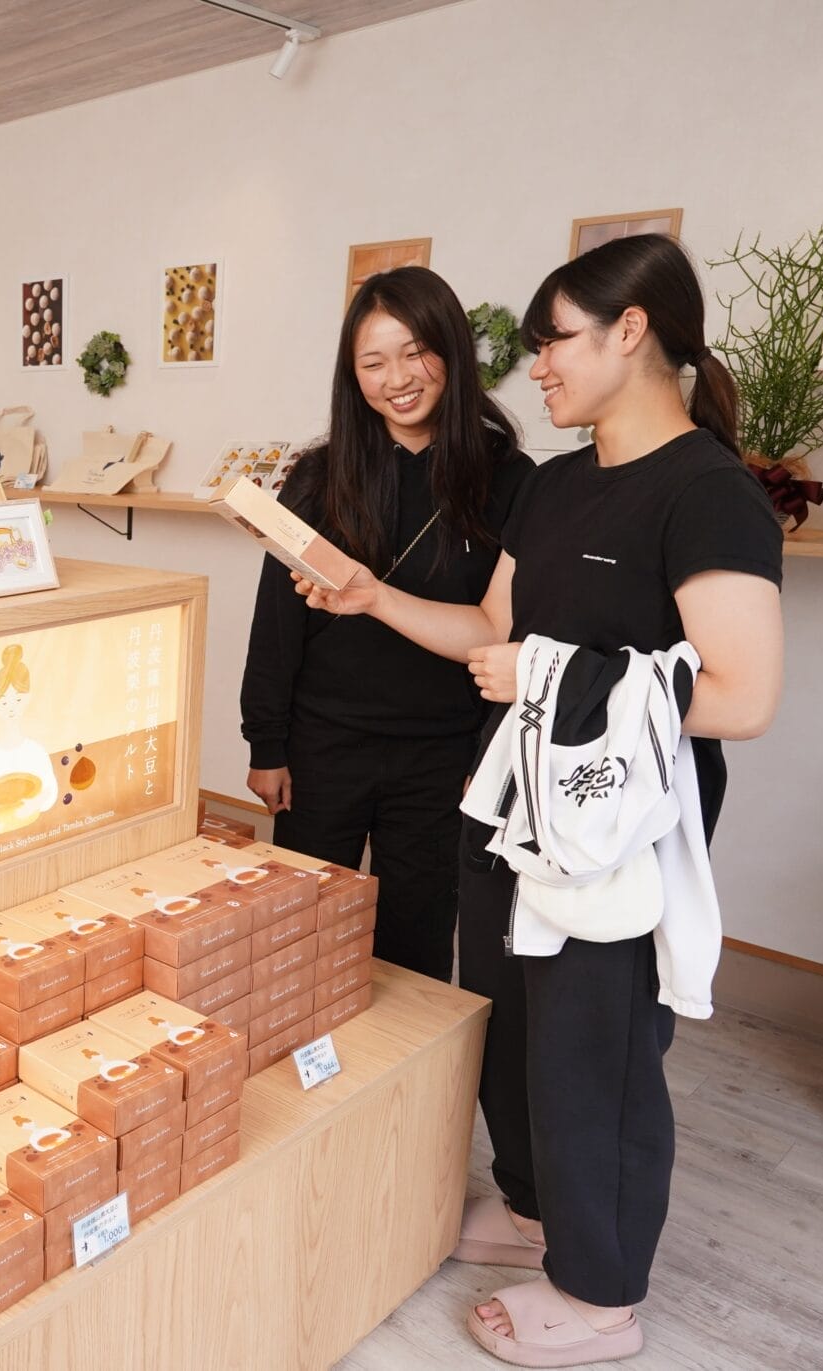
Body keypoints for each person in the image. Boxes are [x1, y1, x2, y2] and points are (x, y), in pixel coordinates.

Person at [294, 234, 784, 1367]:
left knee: (593, 1050)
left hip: (615, 823)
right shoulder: (558, 486)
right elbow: (490, 629)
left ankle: (602, 1294)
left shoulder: (709, 494)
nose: (537, 368)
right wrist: (371, 597)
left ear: (631, 332)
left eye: (555, 341)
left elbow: (742, 695)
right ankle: (529, 1209)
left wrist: (554, 676)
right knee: (509, 1022)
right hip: (509, 800)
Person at [239, 266, 531, 982]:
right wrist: (266, 743)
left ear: (452, 351)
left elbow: (507, 638)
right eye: (373, 362)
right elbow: (276, 620)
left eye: (415, 352)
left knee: (417, 943)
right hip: (322, 747)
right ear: (352, 374)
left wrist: (485, 756)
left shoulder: (509, 478)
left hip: (441, 757)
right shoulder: (320, 474)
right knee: (297, 934)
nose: (396, 379)